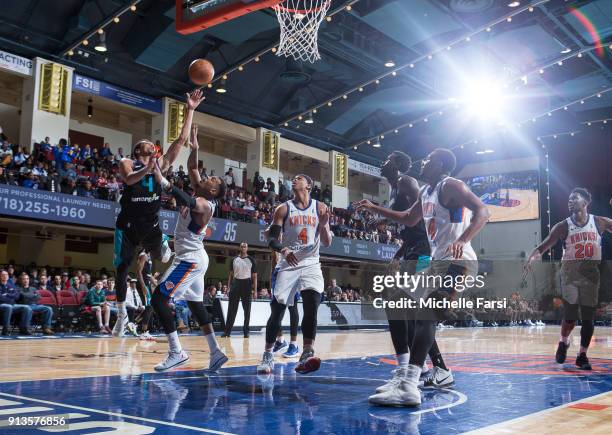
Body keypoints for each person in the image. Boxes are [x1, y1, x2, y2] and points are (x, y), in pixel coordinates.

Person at [356, 148, 489, 406]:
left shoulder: (450, 185)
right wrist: (375, 208)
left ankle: (410, 385)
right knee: (396, 302)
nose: (423, 161)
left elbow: (483, 211)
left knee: (427, 313)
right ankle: (408, 374)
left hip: (458, 261)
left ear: (439, 163)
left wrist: (463, 239)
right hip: (436, 264)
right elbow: (408, 218)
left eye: (427, 159)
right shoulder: (427, 191)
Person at [112, 89, 204, 337]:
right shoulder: (127, 163)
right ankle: (121, 316)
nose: (152, 148)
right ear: (138, 152)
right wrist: (150, 169)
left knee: (164, 258)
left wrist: (191, 110)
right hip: (128, 225)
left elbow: (180, 142)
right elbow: (130, 180)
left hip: (151, 224)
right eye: (146, 147)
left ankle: (163, 257)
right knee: (122, 269)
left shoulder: (159, 166)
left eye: (152, 148)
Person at [150, 124, 228, 372]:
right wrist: (195, 147)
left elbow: (185, 199)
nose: (207, 177)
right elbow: (193, 167)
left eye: (212, 179)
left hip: (190, 260)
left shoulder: (205, 205)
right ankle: (216, 352)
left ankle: (177, 352)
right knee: (195, 305)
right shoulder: (201, 192)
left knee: (159, 300)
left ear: (213, 190)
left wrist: (163, 181)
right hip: (192, 256)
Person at [525, 188, 611, 370]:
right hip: (569, 274)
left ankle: (582, 355)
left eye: (574, 198)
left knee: (588, 319)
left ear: (585, 202)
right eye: (569, 199)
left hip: (591, 274)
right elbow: (543, 246)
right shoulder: (563, 226)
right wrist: (533, 257)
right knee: (571, 315)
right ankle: (563, 342)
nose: (570, 201)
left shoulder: (599, 222)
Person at [257, 174, 333, 376]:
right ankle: (267, 354)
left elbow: (327, 242)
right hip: (288, 262)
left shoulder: (320, 208)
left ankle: (307, 351)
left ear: (309, 185)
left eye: (299, 178)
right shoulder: (283, 208)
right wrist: (284, 250)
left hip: (311, 262)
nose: (294, 180)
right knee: (278, 309)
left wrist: (324, 223)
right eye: (293, 178)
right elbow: (271, 238)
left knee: (311, 304)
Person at [223, 243, 257, 338]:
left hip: (247, 284)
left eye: (245, 246)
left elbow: (254, 276)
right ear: (240, 248)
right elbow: (230, 275)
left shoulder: (251, 260)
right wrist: (229, 287)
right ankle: (227, 332)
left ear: (247, 248)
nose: (243, 248)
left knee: (247, 310)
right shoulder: (234, 259)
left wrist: (255, 291)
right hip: (236, 283)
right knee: (231, 309)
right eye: (242, 246)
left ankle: (246, 332)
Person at [0, 269, 33, 336]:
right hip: (2, 304)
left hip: (12, 304)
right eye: (3, 275)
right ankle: (5, 330)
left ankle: (24, 328)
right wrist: (10, 297)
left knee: (27, 307)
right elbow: (0, 298)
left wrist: (7, 295)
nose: (5, 276)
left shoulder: (11, 285)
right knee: (8, 307)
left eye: (6, 275)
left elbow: (16, 296)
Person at [135, 250, 155, 340]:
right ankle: (144, 332)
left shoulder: (148, 256)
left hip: (147, 283)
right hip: (143, 284)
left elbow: (149, 275)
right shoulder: (143, 255)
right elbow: (139, 272)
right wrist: (143, 286)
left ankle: (133, 323)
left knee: (150, 307)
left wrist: (156, 285)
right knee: (149, 307)